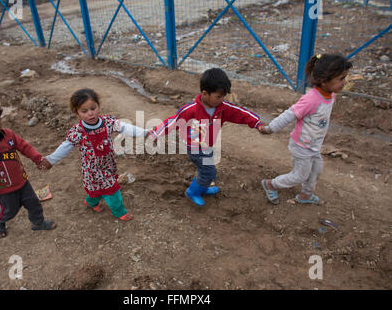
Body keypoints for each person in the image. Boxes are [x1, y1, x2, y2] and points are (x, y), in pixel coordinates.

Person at [149, 68, 265, 206]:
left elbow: (240, 113)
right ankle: (193, 192)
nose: (222, 99)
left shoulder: (222, 107)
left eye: (223, 96)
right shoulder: (190, 110)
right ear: (204, 93)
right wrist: (156, 133)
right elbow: (173, 122)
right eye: (219, 96)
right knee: (208, 172)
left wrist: (257, 123)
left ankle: (202, 187)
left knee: (208, 169)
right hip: (195, 148)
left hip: (208, 145)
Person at [42, 88, 149, 221]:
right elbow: (66, 147)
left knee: (97, 190)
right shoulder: (79, 131)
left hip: (108, 164)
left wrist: (145, 132)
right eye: (84, 111)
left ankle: (91, 202)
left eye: (93, 108)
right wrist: (51, 160)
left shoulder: (108, 122)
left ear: (99, 106)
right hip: (93, 169)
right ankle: (119, 211)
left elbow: (125, 127)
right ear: (77, 112)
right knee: (112, 189)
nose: (90, 114)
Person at [259, 53, 352, 205]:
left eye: (344, 78)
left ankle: (305, 196)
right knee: (300, 175)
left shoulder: (331, 94)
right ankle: (270, 184)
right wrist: (270, 129)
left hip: (314, 145)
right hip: (301, 145)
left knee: (316, 170)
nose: (344, 82)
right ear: (323, 81)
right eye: (341, 79)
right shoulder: (311, 99)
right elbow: (289, 115)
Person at [0, 99, 56, 238]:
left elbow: (25, 147)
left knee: (34, 204)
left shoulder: (8, 135)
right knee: (9, 210)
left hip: (22, 182)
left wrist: (38, 159)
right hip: (3, 188)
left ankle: (38, 223)